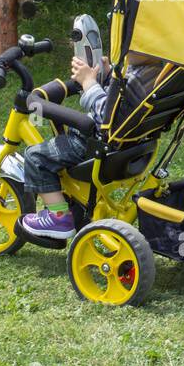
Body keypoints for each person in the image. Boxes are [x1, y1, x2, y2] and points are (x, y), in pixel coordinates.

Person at [18, 55, 112, 240]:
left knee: (36, 156)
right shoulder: (150, 76)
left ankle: (59, 217)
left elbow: (106, 115)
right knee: (55, 146)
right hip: (132, 143)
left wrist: (89, 82)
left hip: (94, 140)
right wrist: (108, 75)